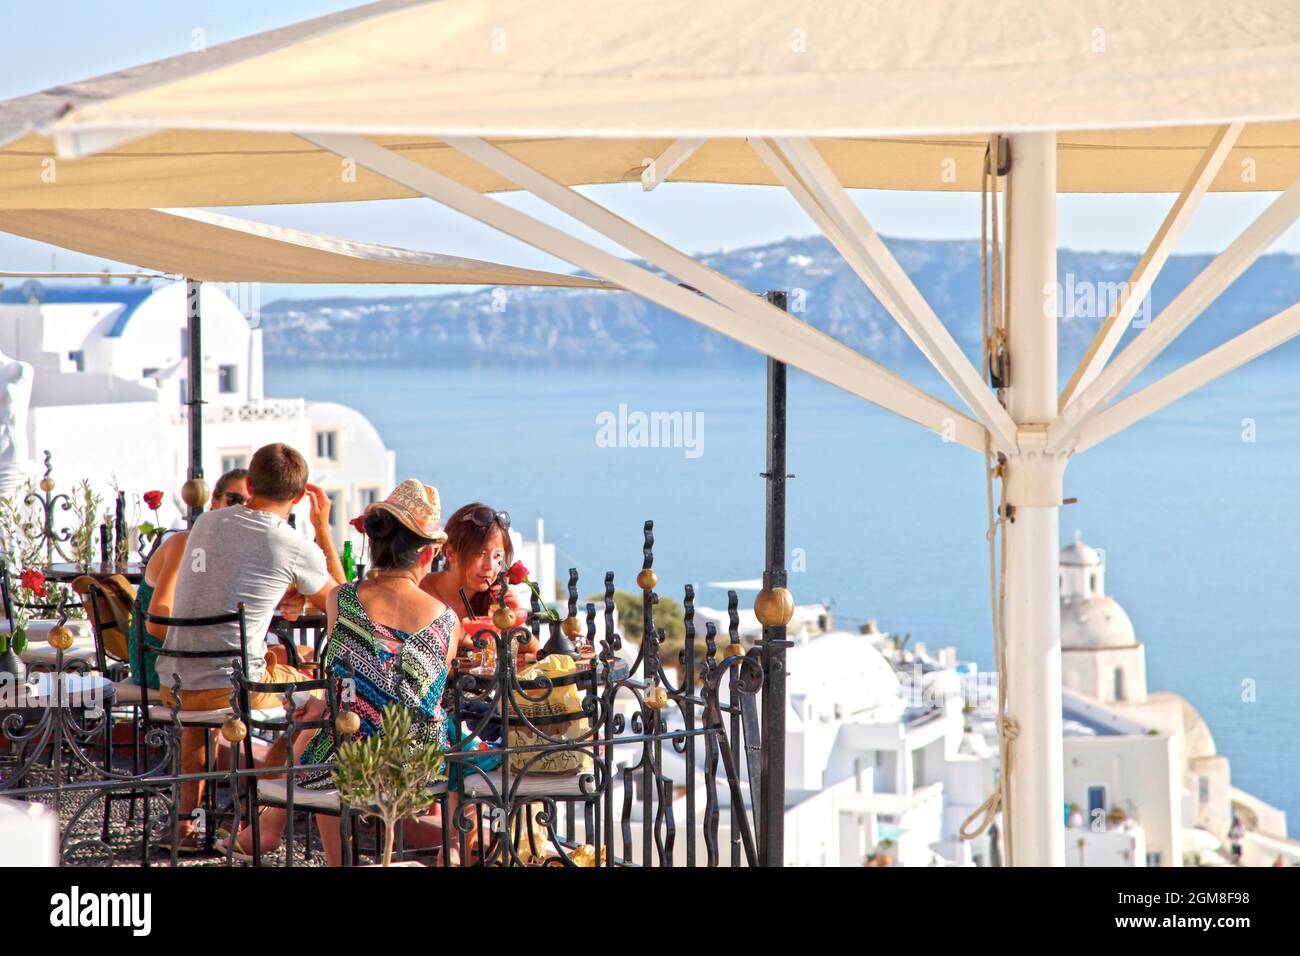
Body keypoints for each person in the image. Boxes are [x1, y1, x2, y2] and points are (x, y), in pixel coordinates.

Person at [224, 480, 461, 864]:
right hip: (421, 762)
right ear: (426, 554)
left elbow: (348, 676)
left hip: (348, 758)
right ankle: (451, 848)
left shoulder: (341, 601)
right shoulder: (448, 621)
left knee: (330, 726)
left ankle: (337, 861)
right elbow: (426, 691)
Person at [160, 442, 345, 852]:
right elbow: (343, 607)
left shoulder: (206, 523)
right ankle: (256, 825)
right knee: (321, 699)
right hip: (236, 686)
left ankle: (185, 825)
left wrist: (281, 592)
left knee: (203, 712)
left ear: (247, 483)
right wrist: (323, 530)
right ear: (298, 497)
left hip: (174, 680)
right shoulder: (293, 544)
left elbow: (229, 580)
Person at [127, 468, 250, 690]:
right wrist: (213, 647)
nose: (240, 509)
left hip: (198, 660)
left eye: (250, 505)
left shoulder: (232, 552)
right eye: (234, 499)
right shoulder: (186, 544)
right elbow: (157, 623)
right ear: (214, 501)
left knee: (288, 655)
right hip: (160, 662)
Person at [421, 502, 537, 656]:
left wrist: (514, 620)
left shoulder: (490, 603)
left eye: (497, 556)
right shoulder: (422, 593)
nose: (490, 566)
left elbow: (535, 652)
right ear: (451, 553)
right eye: (481, 554)